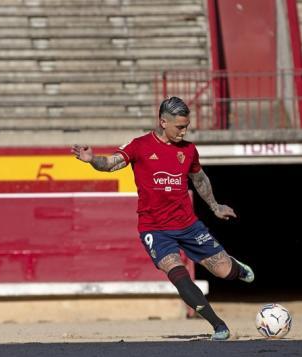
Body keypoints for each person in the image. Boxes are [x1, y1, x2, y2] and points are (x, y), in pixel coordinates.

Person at [71, 96, 254, 341]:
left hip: (188, 225)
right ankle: (219, 326)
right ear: (162, 121)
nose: (184, 131)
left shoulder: (188, 150)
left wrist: (214, 206)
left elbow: (199, 179)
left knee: (224, 271)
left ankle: (237, 268)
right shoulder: (139, 145)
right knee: (177, 274)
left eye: (186, 126)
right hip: (154, 229)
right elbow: (110, 163)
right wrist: (92, 160)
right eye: (180, 127)